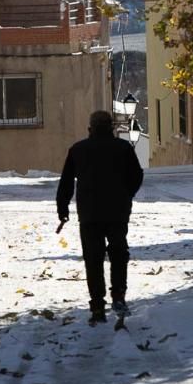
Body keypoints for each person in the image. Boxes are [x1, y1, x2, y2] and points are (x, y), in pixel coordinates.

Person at [56, 110, 143, 324]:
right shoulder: (123, 148)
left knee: (93, 259)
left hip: (89, 214)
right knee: (118, 254)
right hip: (117, 211)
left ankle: (97, 305)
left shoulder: (78, 150)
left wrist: (63, 209)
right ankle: (119, 296)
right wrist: (127, 194)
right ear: (111, 128)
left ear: (90, 129)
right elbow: (137, 175)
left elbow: (66, 182)